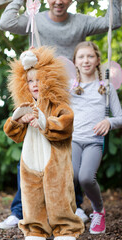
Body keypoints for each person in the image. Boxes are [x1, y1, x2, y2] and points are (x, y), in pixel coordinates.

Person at [0, 0, 121, 229]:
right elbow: (6, 22)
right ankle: (19, 210)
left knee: (67, 155)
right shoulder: (37, 18)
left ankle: (73, 207)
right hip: (42, 92)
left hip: (72, 94)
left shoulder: (81, 22)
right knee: (32, 150)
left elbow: (113, 20)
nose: (59, 1)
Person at [3, 46, 84, 240]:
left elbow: (65, 125)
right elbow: (14, 133)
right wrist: (17, 121)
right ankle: (36, 229)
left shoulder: (58, 105)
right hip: (31, 160)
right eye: (30, 81)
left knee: (59, 196)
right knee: (32, 196)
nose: (35, 84)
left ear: (50, 79)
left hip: (54, 162)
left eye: (39, 79)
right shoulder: (26, 105)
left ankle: (65, 229)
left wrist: (44, 122)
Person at [70, 41, 122, 234]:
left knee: (85, 177)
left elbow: (120, 117)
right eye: (81, 57)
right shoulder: (70, 87)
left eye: (90, 56)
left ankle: (99, 211)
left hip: (94, 141)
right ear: (74, 61)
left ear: (98, 60)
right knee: (71, 175)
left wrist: (109, 122)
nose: (86, 60)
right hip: (73, 140)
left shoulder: (106, 87)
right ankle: (67, 214)